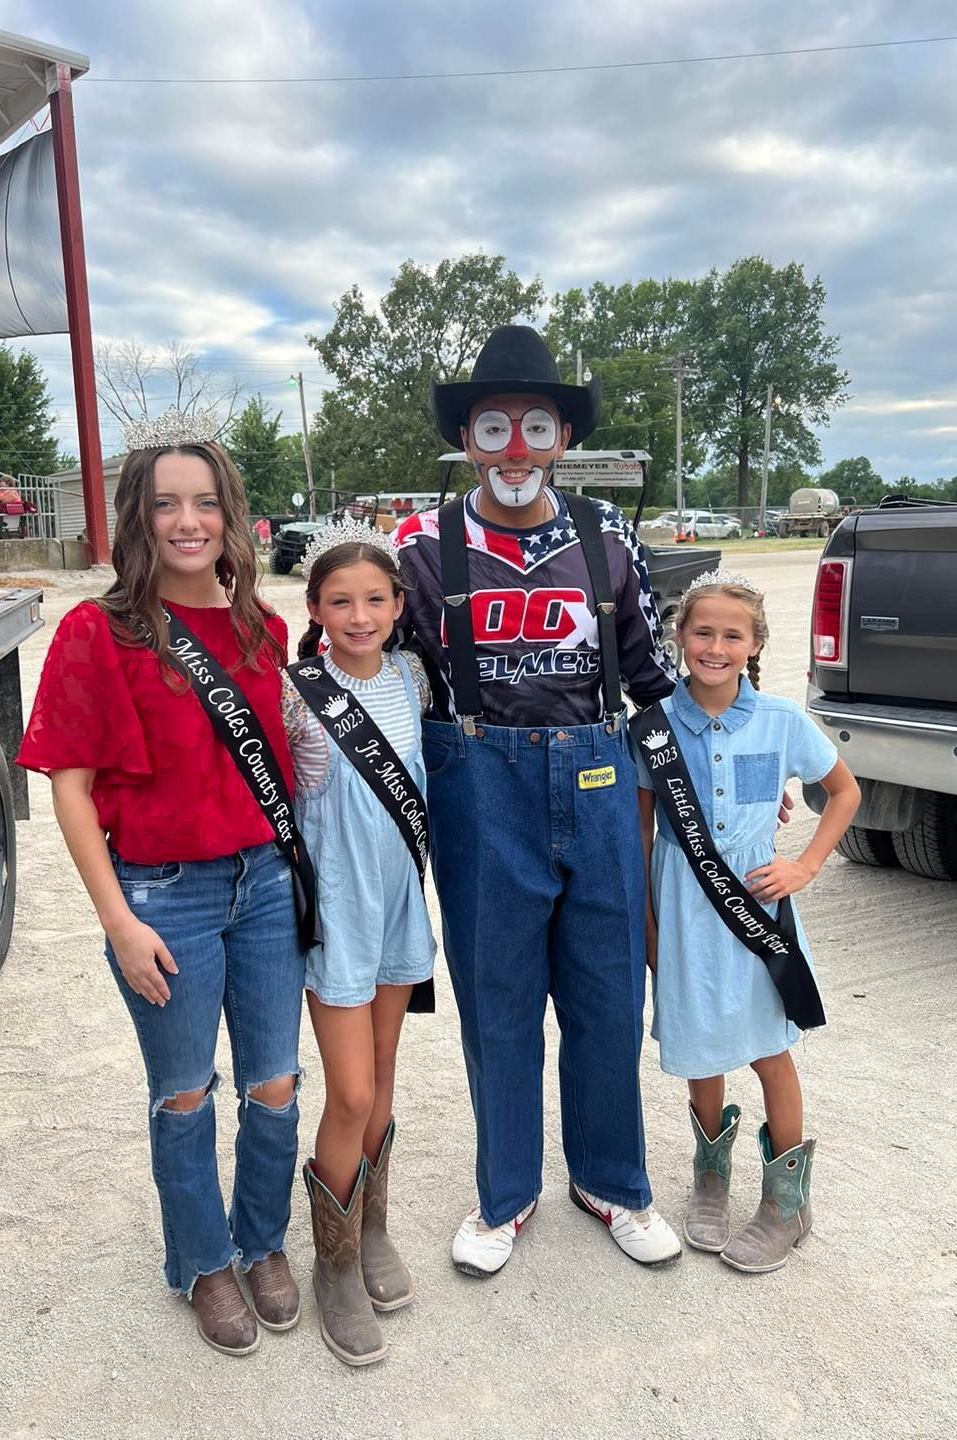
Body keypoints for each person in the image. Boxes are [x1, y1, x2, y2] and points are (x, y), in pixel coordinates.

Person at [395, 324, 683, 1277]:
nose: (514, 447)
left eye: (533, 426)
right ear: (468, 440)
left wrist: (728, 782)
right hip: (482, 782)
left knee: (607, 991)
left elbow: (652, 681)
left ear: (562, 437)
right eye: (493, 427)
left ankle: (612, 1181)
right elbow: (376, 666)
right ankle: (505, 1192)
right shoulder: (424, 548)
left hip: (598, 774)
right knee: (498, 996)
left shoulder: (608, 535)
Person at [17, 412, 306, 1356]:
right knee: (185, 1091)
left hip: (263, 882)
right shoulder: (98, 632)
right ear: (138, 519)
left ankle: (262, 1240)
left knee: (274, 1082)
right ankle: (203, 1261)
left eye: (206, 502)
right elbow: (70, 786)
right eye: (167, 504)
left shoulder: (264, 626)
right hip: (162, 894)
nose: (189, 521)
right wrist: (116, 918)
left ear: (231, 516)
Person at [633, 570, 859, 1272]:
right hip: (682, 900)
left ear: (755, 643)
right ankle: (710, 1176)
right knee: (703, 1047)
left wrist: (806, 865)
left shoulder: (783, 719)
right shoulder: (653, 726)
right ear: (680, 638)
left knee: (768, 1048)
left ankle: (788, 1203)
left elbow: (844, 790)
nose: (716, 646)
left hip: (759, 908)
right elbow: (639, 837)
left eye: (733, 634)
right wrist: (649, 932)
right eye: (703, 631)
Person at [281, 522, 435, 1366]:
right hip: (336, 907)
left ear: (398, 605)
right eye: (340, 600)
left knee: (380, 1084)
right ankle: (332, 1267)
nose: (360, 613)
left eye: (375, 599)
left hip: (398, 903)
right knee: (346, 1093)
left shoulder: (414, 677)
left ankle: (369, 1230)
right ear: (314, 608)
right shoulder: (292, 690)